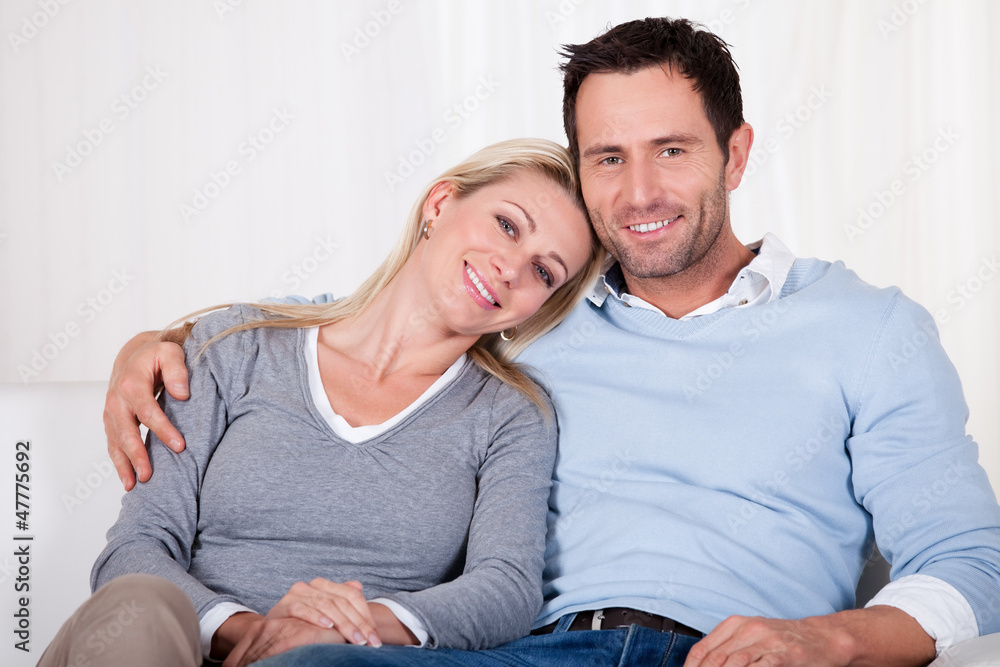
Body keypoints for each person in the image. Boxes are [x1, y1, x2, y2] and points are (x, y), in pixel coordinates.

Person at [102, 17, 1000, 667]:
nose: (639, 190)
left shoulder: (869, 327)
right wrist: (165, 338)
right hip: (532, 654)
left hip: (735, 655)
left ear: (736, 154)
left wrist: (831, 638)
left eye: (673, 151)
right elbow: (373, 313)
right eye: (608, 157)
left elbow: (973, 562)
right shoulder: (536, 308)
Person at [40, 138, 605, 667]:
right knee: (139, 603)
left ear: (538, 308)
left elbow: (505, 586)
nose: (511, 268)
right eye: (507, 225)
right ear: (440, 203)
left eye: (542, 271)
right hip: (165, 650)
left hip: (345, 660)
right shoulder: (237, 347)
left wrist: (346, 629)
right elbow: (135, 547)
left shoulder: (510, 415)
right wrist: (251, 632)